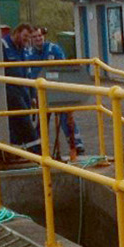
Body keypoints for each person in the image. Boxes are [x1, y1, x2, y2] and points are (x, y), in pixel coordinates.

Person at [37, 27, 84, 158]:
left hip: (56, 89)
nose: (38, 39)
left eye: (39, 36)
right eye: (35, 37)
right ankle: (39, 146)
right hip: (39, 91)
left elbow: (63, 67)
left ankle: (76, 143)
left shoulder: (54, 49)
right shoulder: (29, 53)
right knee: (41, 120)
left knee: (65, 117)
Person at [2, 23, 41, 153]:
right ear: (17, 33)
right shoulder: (3, 46)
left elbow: (28, 74)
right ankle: (38, 153)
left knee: (18, 126)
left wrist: (33, 95)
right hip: (10, 93)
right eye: (25, 36)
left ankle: (18, 152)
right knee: (24, 123)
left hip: (23, 92)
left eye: (29, 38)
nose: (27, 40)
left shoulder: (23, 50)